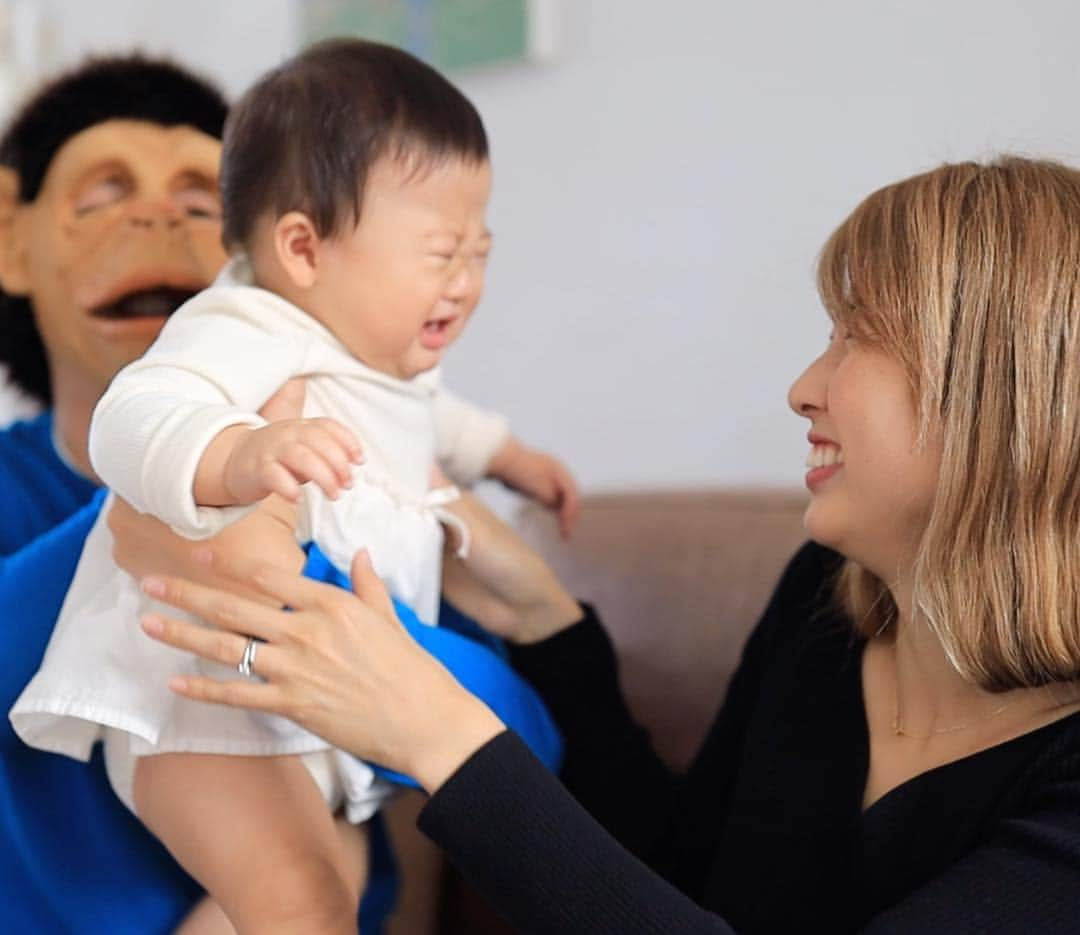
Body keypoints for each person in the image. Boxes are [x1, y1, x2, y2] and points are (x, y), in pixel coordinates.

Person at [133, 157, 1080, 933]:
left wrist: (443, 735)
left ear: (996, 394)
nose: (803, 385)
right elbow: (673, 869)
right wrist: (545, 620)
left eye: (857, 337)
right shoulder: (828, 600)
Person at [12, 38, 569, 934]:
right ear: (302, 248)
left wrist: (508, 458)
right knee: (301, 903)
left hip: (311, 722)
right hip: (203, 713)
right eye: (439, 252)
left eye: (480, 251)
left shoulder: (376, 357)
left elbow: (438, 418)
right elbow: (138, 411)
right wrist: (236, 455)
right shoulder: (250, 324)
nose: (465, 283)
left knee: (314, 899)